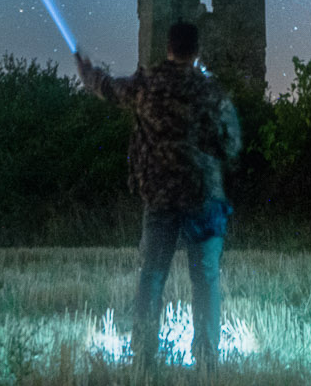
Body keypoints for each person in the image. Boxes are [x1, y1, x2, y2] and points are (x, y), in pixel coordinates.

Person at [76, 20, 242, 372]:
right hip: (203, 199)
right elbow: (231, 144)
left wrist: (87, 71)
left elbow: (106, 88)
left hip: (160, 197)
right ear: (196, 51)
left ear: (168, 47)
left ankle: (144, 356)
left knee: (151, 276)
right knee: (206, 280)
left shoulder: (146, 84)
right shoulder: (211, 91)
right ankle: (208, 360)